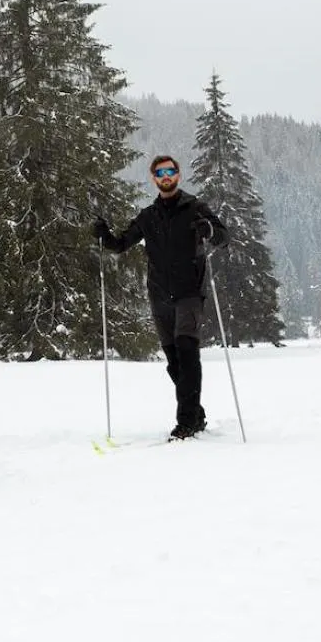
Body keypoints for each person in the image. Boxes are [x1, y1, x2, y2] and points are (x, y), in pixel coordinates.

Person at [93, 154, 229, 439]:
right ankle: (196, 414)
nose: (165, 176)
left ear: (178, 175)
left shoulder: (195, 208)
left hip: (190, 292)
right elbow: (120, 244)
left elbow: (223, 237)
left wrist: (209, 229)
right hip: (159, 295)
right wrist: (103, 235)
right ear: (154, 179)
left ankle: (186, 423)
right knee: (174, 363)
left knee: (187, 350)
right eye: (160, 172)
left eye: (170, 171)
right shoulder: (148, 216)